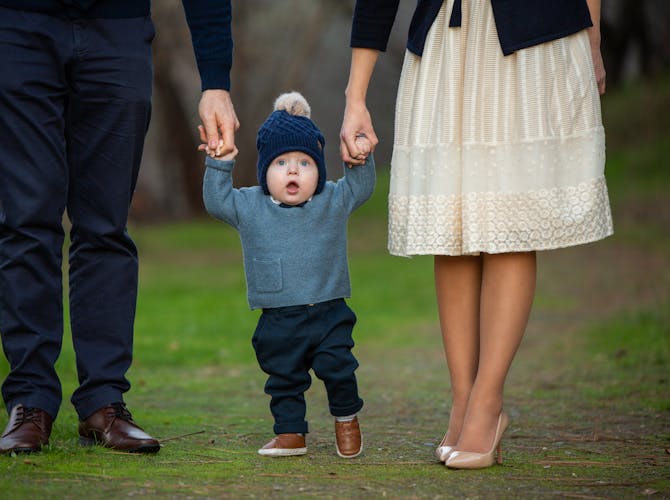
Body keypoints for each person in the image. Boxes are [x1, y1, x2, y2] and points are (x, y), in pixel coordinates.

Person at [0, 0, 238, 455]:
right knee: (26, 222)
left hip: (117, 30)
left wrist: (216, 80)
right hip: (10, 26)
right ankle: (30, 401)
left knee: (106, 227)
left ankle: (104, 403)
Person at [340, 0, 612, 469]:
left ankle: (487, 404)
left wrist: (592, 35)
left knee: (508, 219)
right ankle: (463, 401)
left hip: (531, 45)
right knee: (451, 223)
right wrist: (355, 96)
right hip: (445, 40)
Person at [201, 92, 375, 458]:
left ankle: (346, 420)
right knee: (283, 379)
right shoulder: (250, 205)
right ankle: (290, 433)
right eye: (281, 162)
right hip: (278, 317)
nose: (293, 170)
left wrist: (359, 156)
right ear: (265, 170)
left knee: (338, 368)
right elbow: (217, 203)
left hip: (328, 312)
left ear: (319, 172)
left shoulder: (332, 199)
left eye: (304, 163)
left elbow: (361, 187)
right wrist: (221, 164)